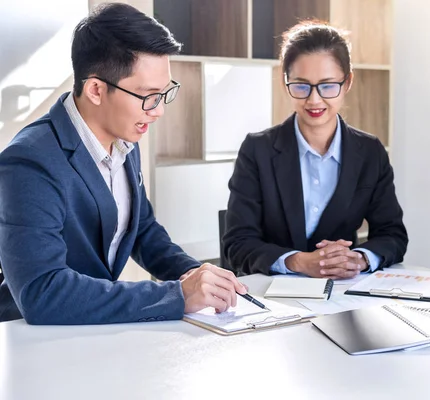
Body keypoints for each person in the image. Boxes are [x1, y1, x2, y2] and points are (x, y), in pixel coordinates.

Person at [0, 3, 246, 324]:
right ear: (96, 89)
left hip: (96, 331)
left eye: (164, 93)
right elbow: (42, 292)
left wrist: (196, 274)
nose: (157, 110)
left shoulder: (125, 140)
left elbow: (142, 230)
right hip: (35, 340)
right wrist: (176, 295)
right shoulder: (29, 162)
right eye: (148, 96)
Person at [223, 21, 408, 279]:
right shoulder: (258, 150)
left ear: (347, 82)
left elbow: (392, 235)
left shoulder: (370, 152)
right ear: (284, 80)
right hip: (274, 297)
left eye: (327, 85)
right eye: (301, 85)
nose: (314, 99)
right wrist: (298, 262)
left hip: (344, 293)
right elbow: (238, 244)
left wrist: (359, 259)